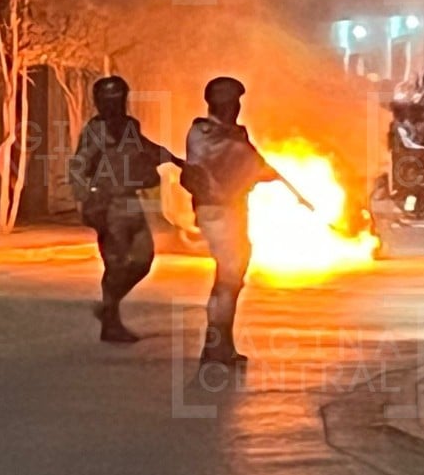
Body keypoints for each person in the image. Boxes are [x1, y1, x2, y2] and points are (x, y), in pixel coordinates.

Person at [71, 76, 183, 343]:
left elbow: (145, 148)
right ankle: (111, 323)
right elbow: (78, 166)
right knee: (115, 263)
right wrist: (88, 198)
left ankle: (109, 308)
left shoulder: (130, 125)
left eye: (118, 97)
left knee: (143, 260)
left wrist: (175, 160)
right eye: (108, 99)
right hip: (110, 206)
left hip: (132, 202)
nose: (114, 104)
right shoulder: (96, 131)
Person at [183, 77, 279, 366]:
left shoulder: (228, 133)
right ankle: (215, 347)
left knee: (231, 279)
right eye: (233, 102)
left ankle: (222, 344)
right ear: (223, 104)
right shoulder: (207, 133)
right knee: (228, 279)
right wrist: (254, 166)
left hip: (232, 210)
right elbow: (229, 165)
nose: (237, 108)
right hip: (218, 211)